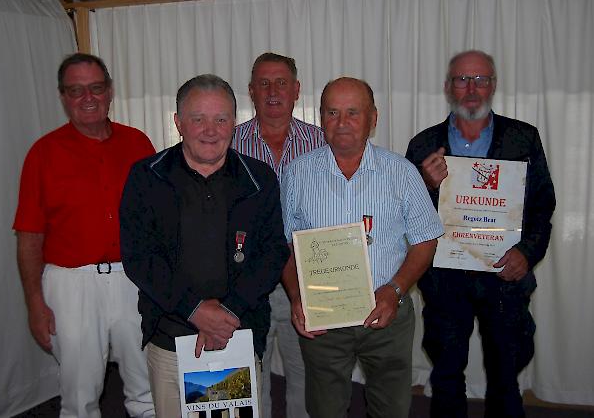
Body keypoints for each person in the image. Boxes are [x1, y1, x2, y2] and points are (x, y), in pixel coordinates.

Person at [119, 74, 290, 417]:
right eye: (198, 119)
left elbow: (272, 254)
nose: (210, 130)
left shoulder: (259, 179)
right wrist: (195, 310)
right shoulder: (147, 177)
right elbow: (139, 257)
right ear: (178, 123)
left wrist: (227, 313)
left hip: (236, 334)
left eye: (221, 119)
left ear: (234, 123)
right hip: (173, 338)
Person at [405, 50, 556, 418]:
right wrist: (424, 183)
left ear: (493, 85)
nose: (471, 89)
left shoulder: (523, 138)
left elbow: (542, 206)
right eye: (462, 79)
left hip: (505, 278)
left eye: (480, 79)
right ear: (447, 87)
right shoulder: (423, 144)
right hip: (444, 279)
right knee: (446, 376)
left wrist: (527, 253)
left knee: (506, 377)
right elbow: (404, 214)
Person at [281, 77, 444, 418]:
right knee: (325, 410)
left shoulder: (402, 173)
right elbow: (284, 246)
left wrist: (395, 289)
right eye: (332, 112)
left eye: (353, 112)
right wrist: (297, 297)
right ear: (321, 117)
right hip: (323, 320)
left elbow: (425, 240)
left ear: (374, 118)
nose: (342, 123)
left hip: (387, 313)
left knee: (392, 409)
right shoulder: (296, 174)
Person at [13, 53, 156, 418]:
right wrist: (34, 302)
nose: (87, 98)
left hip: (133, 278)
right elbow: (29, 236)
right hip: (70, 286)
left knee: (149, 386)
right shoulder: (42, 154)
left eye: (95, 88)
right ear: (63, 96)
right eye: (76, 90)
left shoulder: (138, 144)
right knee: (79, 395)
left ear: (109, 92)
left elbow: (158, 219)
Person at [231, 52, 325, 418]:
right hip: (245, 281)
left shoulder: (322, 143)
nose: (273, 91)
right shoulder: (228, 145)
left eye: (281, 82)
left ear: (296, 90)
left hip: (305, 280)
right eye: (264, 83)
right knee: (250, 374)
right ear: (251, 91)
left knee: (306, 372)